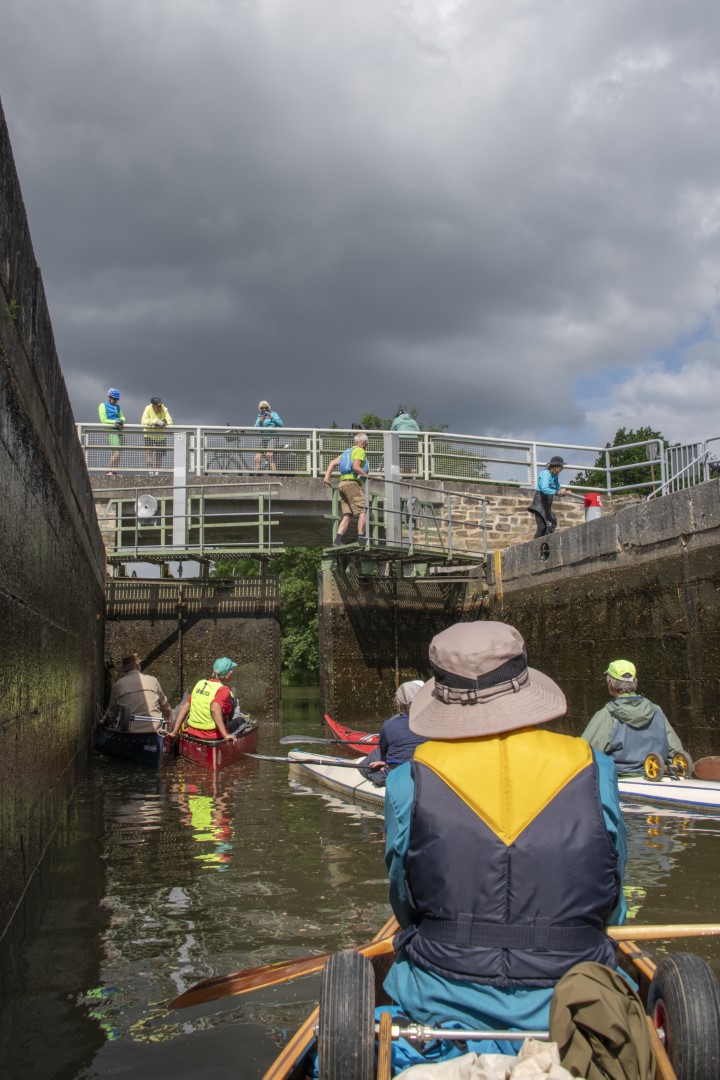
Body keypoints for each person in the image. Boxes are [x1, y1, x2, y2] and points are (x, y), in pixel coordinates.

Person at [383, 619, 626, 1047]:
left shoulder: (408, 779)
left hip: (440, 995)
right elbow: (612, 895)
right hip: (577, 995)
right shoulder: (595, 768)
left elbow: (404, 903)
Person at [581, 660, 687, 774]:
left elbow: (584, 753)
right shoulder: (656, 710)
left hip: (620, 779)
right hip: (655, 774)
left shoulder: (607, 714)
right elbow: (675, 749)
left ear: (610, 683)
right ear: (635, 682)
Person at [360, 680, 427, 786]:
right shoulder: (432, 723)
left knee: (372, 758)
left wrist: (386, 763)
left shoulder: (388, 725)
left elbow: (384, 753)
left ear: (398, 702)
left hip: (398, 772)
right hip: (423, 769)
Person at [168, 657, 243, 742]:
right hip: (211, 735)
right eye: (232, 670)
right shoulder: (224, 689)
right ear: (228, 674)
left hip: (192, 733)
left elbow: (185, 708)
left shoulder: (200, 684)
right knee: (241, 721)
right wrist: (225, 735)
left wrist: (174, 732)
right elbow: (214, 708)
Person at [322, 431, 370, 546]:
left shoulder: (347, 452)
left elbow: (332, 463)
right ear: (364, 443)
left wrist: (326, 477)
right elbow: (355, 467)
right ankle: (361, 538)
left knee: (347, 514)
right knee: (363, 510)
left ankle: (337, 540)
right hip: (352, 484)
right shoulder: (360, 451)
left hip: (342, 484)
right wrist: (368, 476)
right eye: (367, 443)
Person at [102, 653, 173, 727]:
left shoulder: (118, 684)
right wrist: (170, 721)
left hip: (127, 732)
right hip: (154, 731)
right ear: (137, 666)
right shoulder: (153, 680)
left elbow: (110, 714)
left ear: (125, 669)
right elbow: (166, 708)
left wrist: (103, 722)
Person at [528, 455, 571, 538]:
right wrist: (557, 492)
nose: (562, 469)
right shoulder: (545, 474)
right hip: (539, 503)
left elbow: (558, 488)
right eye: (561, 466)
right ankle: (535, 545)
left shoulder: (554, 476)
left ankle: (545, 545)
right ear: (556, 467)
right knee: (542, 527)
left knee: (552, 524)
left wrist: (565, 492)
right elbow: (544, 488)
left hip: (547, 505)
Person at [141, 396, 173, 474]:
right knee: (149, 452)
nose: (159, 407)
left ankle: (157, 472)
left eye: (160, 405)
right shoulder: (148, 408)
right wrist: (155, 421)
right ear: (153, 405)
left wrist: (163, 423)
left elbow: (170, 421)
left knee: (159, 454)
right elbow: (143, 421)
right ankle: (150, 471)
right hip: (149, 434)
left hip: (160, 436)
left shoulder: (164, 409)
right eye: (158, 405)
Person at [98, 388, 125, 474]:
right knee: (116, 453)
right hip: (112, 431)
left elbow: (123, 417)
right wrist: (115, 422)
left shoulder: (118, 407)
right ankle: (109, 471)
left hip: (120, 430)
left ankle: (114, 471)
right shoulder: (102, 405)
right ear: (109, 397)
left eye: (117, 399)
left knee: (118, 453)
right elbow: (103, 420)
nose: (115, 401)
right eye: (114, 399)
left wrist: (120, 421)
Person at [253, 400, 284, 471]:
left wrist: (272, 418)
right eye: (262, 408)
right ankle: (258, 474)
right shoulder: (259, 416)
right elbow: (255, 428)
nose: (264, 409)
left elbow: (281, 424)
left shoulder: (273, 414)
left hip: (272, 437)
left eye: (265, 408)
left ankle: (274, 473)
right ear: (260, 409)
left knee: (269, 455)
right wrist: (260, 422)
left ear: (268, 408)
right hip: (264, 439)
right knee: (257, 457)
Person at [390, 408, 420, 476]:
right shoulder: (413, 420)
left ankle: (400, 475)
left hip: (401, 440)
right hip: (413, 441)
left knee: (399, 458)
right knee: (412, 459)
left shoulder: (396, 420)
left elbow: (391, 431)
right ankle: (414, 476)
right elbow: (418, 431)